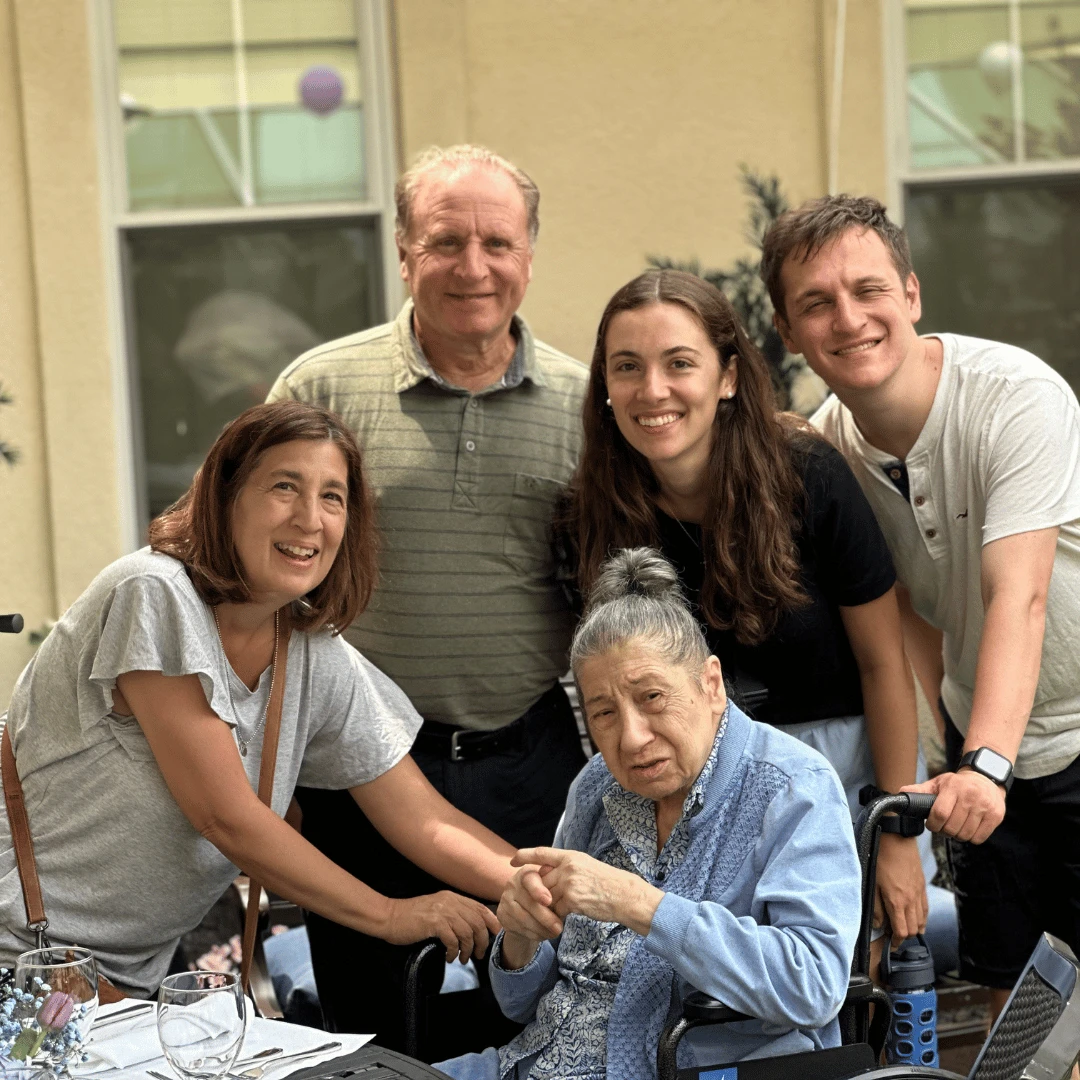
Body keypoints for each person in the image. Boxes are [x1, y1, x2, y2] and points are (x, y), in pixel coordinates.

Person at [0, 401, 513, 996]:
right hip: (18, 956)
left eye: (332, 497)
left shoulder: (311, 649)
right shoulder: (152, 595)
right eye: (284, 487)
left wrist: (547, 886)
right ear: (225, 498)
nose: (309, 519)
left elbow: (424, 819)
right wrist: (392, 916)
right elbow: (225, 816)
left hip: (118, 982)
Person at [266, 144, 588, 1044]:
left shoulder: (587, 406)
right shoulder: (321, 389)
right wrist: (275, 754)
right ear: (404, 252)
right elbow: (258, 582)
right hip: (357, 779)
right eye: (447, 241)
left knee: (543, 1026)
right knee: (378, 1034)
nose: (474, 266)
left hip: (532, 771)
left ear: (529, 256)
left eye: (498, 242)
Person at [561, 268, 950, 958]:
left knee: (859, 989)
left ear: (729, 376)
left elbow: (884, 665)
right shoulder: (591, 514)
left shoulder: (807, 477)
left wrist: (896, 832)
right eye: (628, 368)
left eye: (680, 363)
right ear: (605, 388)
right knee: (720, 991)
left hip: (844, 772)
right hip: (694, 785)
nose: (653, 390)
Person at [761, 193, 1080, 1013]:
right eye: (816, 304)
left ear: (911, 294)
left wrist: (985, 763)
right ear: (790, 333)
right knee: (1018, 1018)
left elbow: (1020, 595)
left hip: (1041, 746)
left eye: (869, 289)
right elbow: (905, 610)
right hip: (983, 761)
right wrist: (953, 752)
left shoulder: (1017, 396)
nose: (849, 318)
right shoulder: (828, 449)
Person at [433, 547, 862, 1080]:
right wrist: (520, 937)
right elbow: (522, 1005)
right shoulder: (596, 787)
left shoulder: (793, 788)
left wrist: (639, 904)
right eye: (604, 713)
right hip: (529, 1063)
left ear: (711, 684)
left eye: (652, 697)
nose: (631, 738)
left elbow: (814, 985)